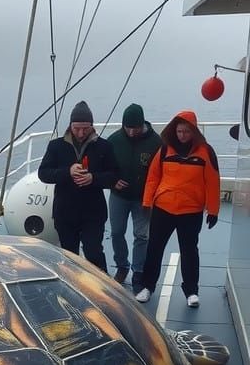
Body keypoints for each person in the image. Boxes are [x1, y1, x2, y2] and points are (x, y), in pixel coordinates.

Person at [135, 110, 220, 309]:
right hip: (163, 208)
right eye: (179, 131)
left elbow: (212, 182)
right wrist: (147, 202)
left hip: (191, 211)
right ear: (175, 131)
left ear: (194, 132)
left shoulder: (205, 152)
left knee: (189, 250)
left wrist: (213, 210)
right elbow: (153, 176)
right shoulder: (165, 150)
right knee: (154, 248)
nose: (182, 135)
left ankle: (191, 291)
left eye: (186, 132)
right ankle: (147, 287)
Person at [37, 101, 119, 272]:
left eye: (85, 128)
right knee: (68, 256)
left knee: (94, 252)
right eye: (76, 128)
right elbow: (43, 173)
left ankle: (101, 289)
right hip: (65, 212)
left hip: (93, 213)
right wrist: (68, 171)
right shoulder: (56, 146)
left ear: (92, 126)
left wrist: (93, 178)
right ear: (70, 126)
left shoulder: (104, 146)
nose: (81, 133)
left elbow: (113, 176)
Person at [107, 103, 162, 291]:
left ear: (142, 124)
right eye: (127, 128)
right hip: (119, 196)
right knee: (116, 232)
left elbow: (162, 171)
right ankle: (122, 266)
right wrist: (112, 181)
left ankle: (138, 271)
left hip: (143, 198)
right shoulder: (113, 141)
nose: (131, 132)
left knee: (141, 235)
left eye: (135, 128)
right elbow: (104, 168)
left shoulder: (156, 142)